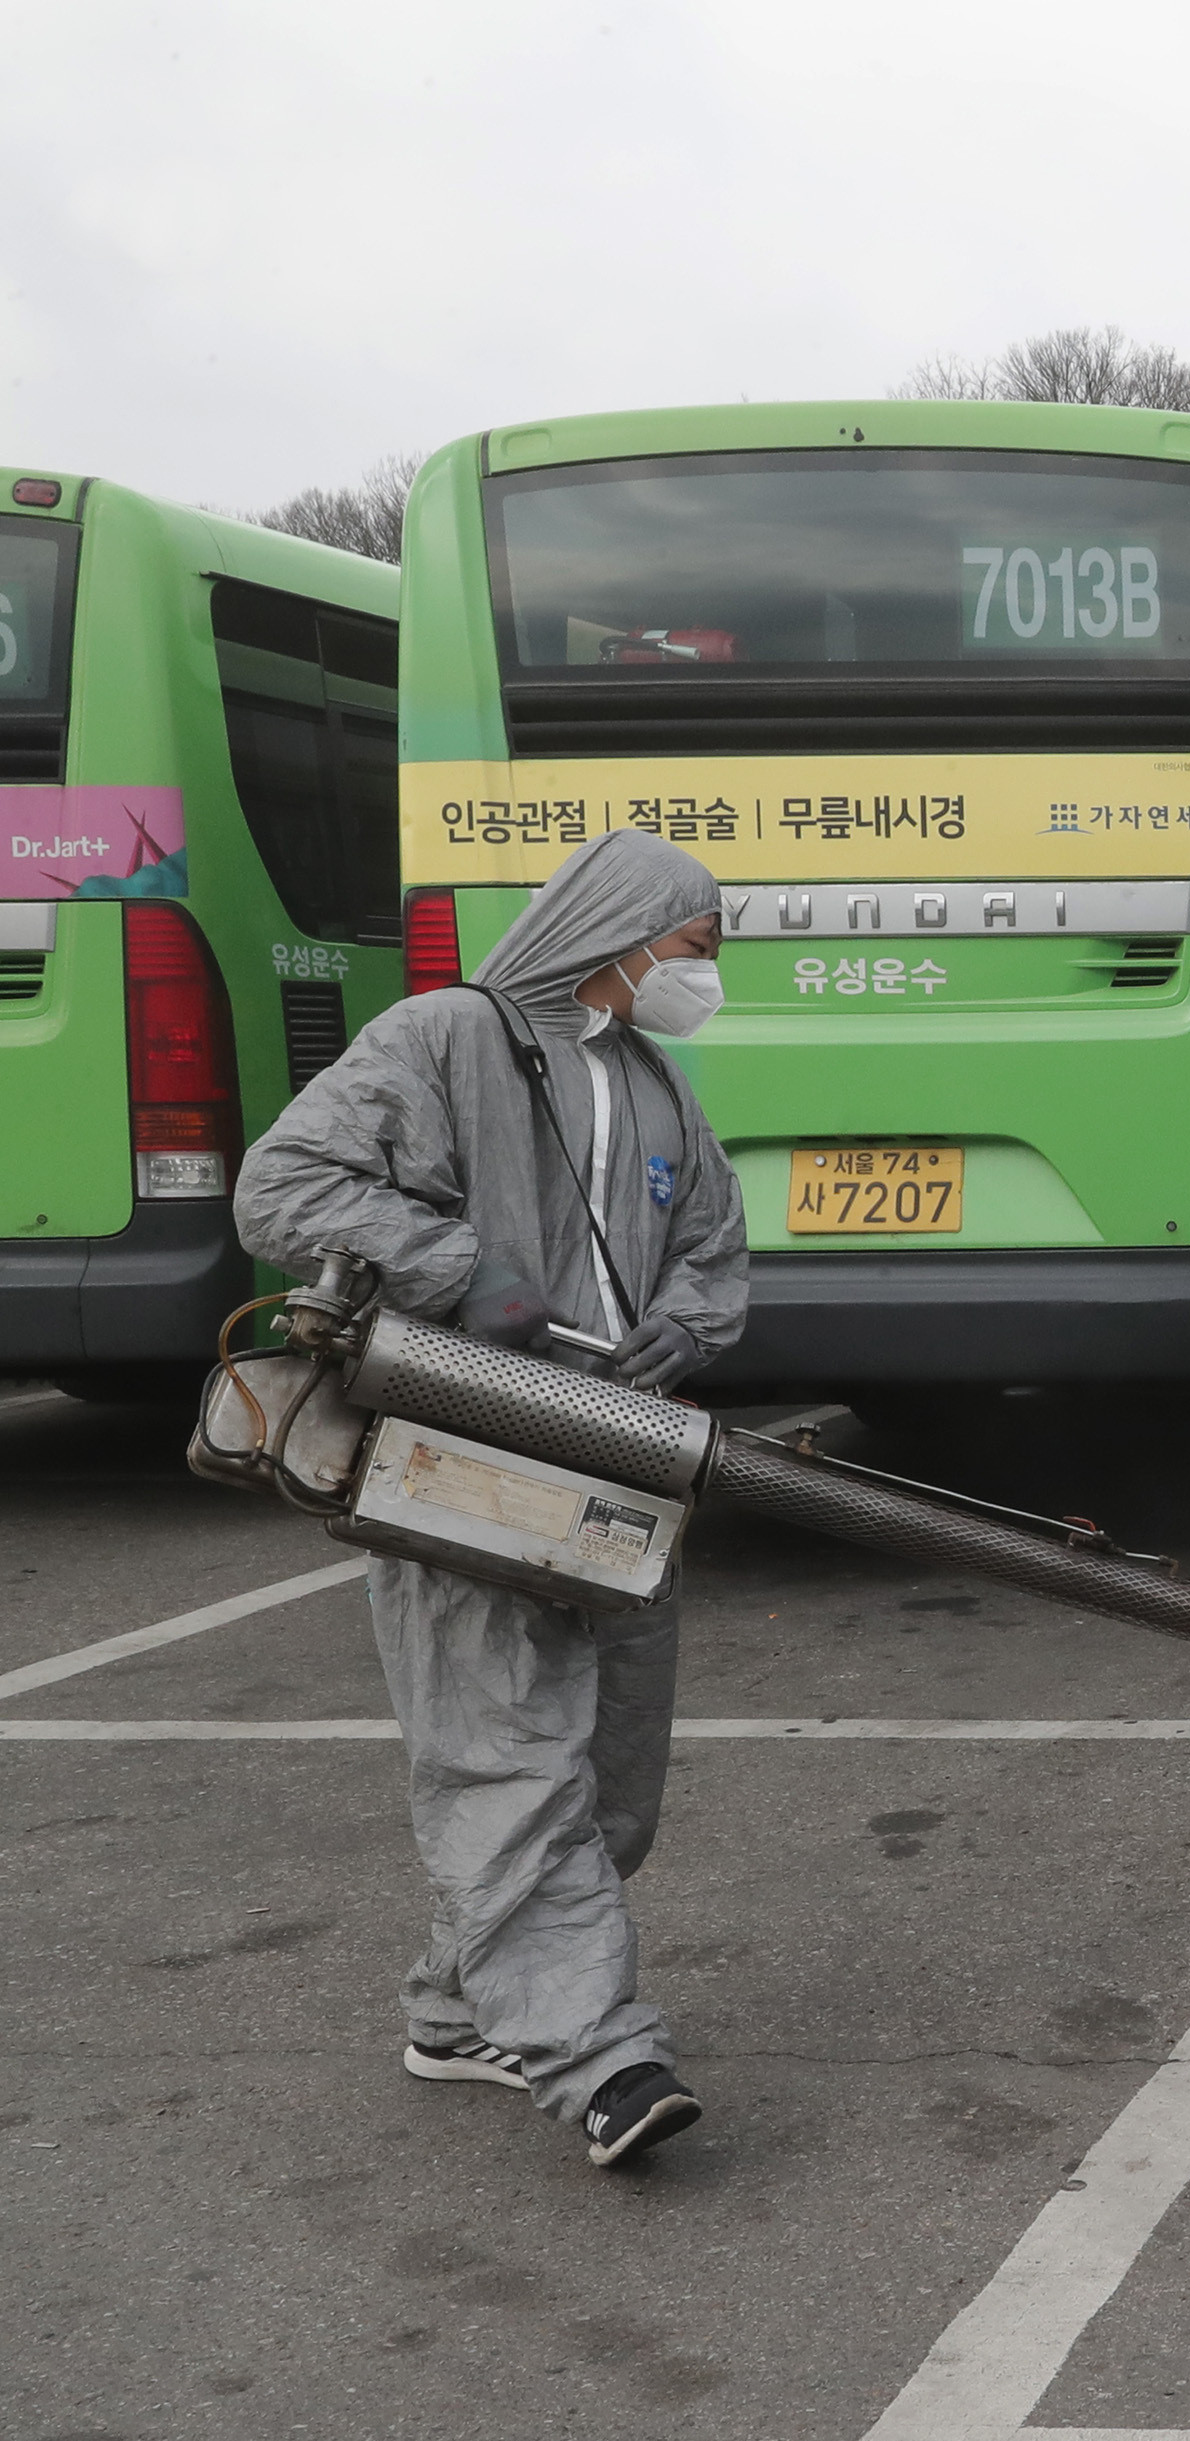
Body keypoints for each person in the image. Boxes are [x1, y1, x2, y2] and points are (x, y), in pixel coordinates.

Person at [234, 830, 747, 2165]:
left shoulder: (652, 1085)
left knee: (613, 1777)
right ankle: (601, 2057)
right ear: (621, 930)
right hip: (460, 1449)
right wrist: (453, 1261)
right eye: (696, 945)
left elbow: (711, 1245)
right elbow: (282, 1188)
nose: (707, 973)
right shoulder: (440, 1038)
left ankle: (458, 2009)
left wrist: (685, 1329)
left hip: (618, 1456)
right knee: (506, 1751)